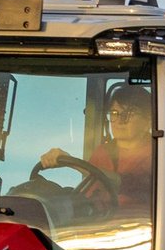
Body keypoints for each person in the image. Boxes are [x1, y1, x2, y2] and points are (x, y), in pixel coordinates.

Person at [39, 82, 152, 214]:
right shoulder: (103, 152)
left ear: (148, 121)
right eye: (115, 113)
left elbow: (125, 182)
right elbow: (90, 193)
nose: (120, 121)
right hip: (99, 225)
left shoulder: (157, 153)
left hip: (137, 226)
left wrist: (70, 161)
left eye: (129, 113)